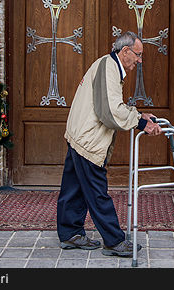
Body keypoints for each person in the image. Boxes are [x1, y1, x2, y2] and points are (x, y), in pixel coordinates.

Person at [56, 31, 162, 257]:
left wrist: (140, 115)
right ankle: (114, 241)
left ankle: (70, 233)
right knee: (97, 192)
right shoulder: (109, 67)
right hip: (88, 139)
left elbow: (110, 104)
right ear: (125, 52)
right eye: (138, 55)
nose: (140, 60)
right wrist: (142, 125)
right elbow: (111, 111)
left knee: (74, 187)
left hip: (79, 134)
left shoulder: (109, 65)